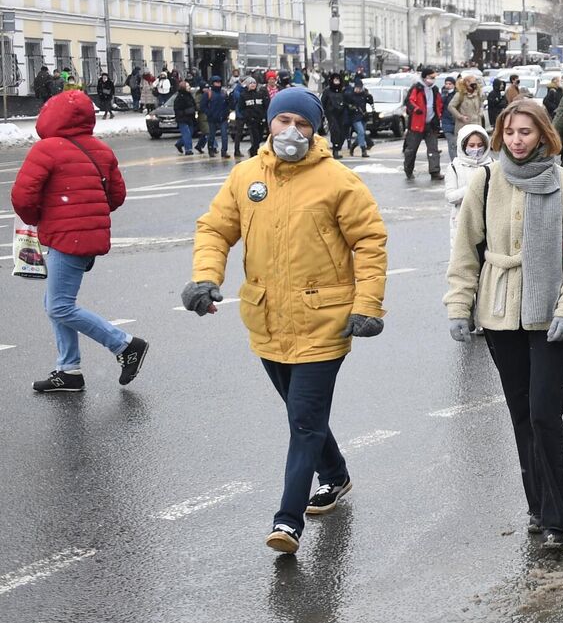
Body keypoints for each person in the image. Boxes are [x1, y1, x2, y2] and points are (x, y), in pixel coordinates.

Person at [183, 86, 388, 555]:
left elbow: (370, 242)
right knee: (304, 416)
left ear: (315, 131)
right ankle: (334, 475)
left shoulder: (339, 181)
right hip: (267, 321)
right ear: (269, 124)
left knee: (303, 423)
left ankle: (287, 520)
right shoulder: (245, 177)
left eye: (302, 124)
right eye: (283, 121)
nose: (291, 131)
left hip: (326, 322)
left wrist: (367, 306)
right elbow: (215, 229)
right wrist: (204, 277)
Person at [445, 100, 563, 551]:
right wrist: (459, 307)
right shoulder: (485, 180)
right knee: (520, 415)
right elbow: (465, 249)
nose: (517, 139)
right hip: (498, 315)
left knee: (544, 413)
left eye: (526, 132)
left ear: (543, 135)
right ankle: (537, 505)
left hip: (547, 313)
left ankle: (555, 518)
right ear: (500, 135)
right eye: (510, 132)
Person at [10, 90, 149, 393]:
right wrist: (85, 215)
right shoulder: (101, 150)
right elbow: (116, 197)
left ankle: (125, 345)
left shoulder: (46, 149)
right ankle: (68, 369)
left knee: (59, 306)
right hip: (87, 237)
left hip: (65, 237)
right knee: (55, 302)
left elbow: (22, 197)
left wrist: (40, 216)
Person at [446, 123, 495, 241]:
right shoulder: (454, 167)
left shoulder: (493, 165)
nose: (476, 149)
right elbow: (450, 197)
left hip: (488, 220)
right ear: (463, 145)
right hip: (462, 221)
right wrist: (473, 187)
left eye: (480, 145)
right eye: (471, 145)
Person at [403, 68, 445, 180]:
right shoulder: (417, 88)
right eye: (431, 77)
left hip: (431, 123)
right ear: (425, 77)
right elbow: (409, 101)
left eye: (434, 78)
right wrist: (416, 109)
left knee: (433, 149)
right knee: (412, 150)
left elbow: (439, 103)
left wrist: (438, 115)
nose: (433, 80)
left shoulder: (435, 89)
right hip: (417, 124)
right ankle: (408, 170)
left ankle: (435, 171)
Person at [171, 78, 199, 156]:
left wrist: (194, 109)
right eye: (187, 86)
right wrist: (187, 111)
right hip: (183, 119)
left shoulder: (189, 96)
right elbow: (177, 109)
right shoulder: (179, 97)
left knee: (189, 133)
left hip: (190, 118)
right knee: (187, 134)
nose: (189, 87)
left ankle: (179, 144)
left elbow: (193, 105)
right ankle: (188, 149)